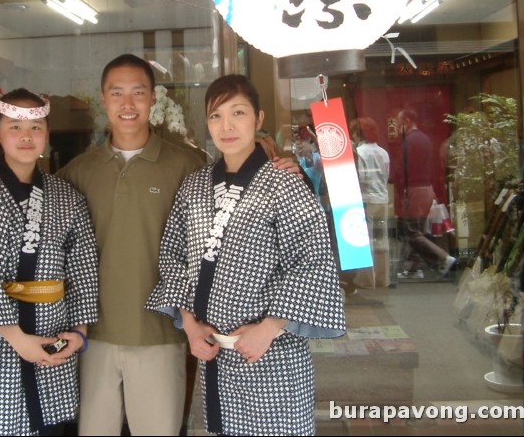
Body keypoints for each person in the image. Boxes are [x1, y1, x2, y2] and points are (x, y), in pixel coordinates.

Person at [0, 55, 300, 435]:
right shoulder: (74, 174)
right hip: (91, 338)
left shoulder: (189, 168)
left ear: (153, 99)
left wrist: (277, 165)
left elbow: (197, 248)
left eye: (138, 93)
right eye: (117, 93)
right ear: (102, 100)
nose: (128, 104)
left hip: (162, 335)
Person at [145, 74, 345, 436]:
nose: (227, 126)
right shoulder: (194, 185)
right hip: (214, 354)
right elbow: (173, 255)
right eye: (216, 116)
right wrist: (190, 326)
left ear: (259, 118)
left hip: (270, 353)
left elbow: (313, 260)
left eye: (238, 112)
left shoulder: (284, 184)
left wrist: (268, 329)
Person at [0, 88, 99, 436]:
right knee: (0, 423)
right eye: (14, 127)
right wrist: (17, 338)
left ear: (47, 134)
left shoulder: (67, 196)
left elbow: (83, 268)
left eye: (36, 127)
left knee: (51, 424)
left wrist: (78, 332)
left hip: (54, 333)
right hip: (0, 343)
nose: (26, 136)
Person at [393, 108, 456, 279]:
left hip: (414, 190)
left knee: (411, 231)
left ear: (406, 121)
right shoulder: (426, 139)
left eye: (399, 123)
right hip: (427, 189)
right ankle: (413, 267)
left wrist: (399, 189)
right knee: (418, 229)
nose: (397, 127)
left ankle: (442, 258)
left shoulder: (409, 141)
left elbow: (403, 170)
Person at [350, 117, 391, 288]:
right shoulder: (382, 152)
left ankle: (366, 280)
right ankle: (383, 278)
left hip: (366, 199)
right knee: (382, 241)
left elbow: (362, 177)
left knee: (365, 241)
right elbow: (387, 175)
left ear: (358, 133)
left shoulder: (361, 152)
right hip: (382, 198)